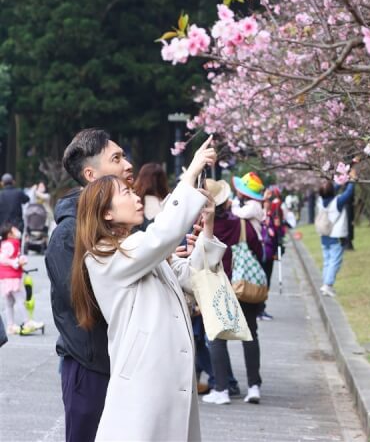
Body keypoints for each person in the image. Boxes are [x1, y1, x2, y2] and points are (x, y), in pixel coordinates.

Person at [71, 137, 222, 441]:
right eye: (127, 193)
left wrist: (207, 227)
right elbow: (161, 236)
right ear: (107, 213)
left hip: (164, 376)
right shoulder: (104, 255)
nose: (137, 197)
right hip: (145, 380)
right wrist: (190, 173)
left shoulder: (137, 250)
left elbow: (195, 280)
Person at [45, 128, 134, 442]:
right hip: (92, 365)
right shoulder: (68, 234)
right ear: (90, 174)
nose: (128, 165)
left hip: (124, 363)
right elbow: (83, 303)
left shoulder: (120, 227)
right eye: (117, 158)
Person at [203, 178, 264, 405]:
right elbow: (258, 250)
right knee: (250, 334)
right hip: (243, 286)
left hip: (219, 287)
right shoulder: (242, 224)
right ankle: (254, 386)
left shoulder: (206, 229)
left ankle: (222, 389)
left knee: (217, 337)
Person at [316, 168, 356, 297]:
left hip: (324, 235)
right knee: (334, 262)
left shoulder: (320, 201)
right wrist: (352, 180)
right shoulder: (337, 202)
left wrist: (344, 177)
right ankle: (328, 285)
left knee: (327, 260)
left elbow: (333, 188)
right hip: (335, 236)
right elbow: (349, 193)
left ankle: (325, 285)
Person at [0, 223, 43, 335]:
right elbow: (3, 258)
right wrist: (16, 262)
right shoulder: (9, 244)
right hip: (11, 277)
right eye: (14, 229)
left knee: (10, 301)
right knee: (20, 299)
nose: (17, 230)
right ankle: (27, 322)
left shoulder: (8, 243)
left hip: (6, 277)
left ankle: (10, 325)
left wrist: (20, 259)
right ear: (9, 234)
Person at [258, 186, 284, 321]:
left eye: (270, 199)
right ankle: (258, 308)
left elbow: (279, 234)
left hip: (269, 252)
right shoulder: (258, 215)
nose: (268, 203)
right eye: (266, 200)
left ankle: (261, 308)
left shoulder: (274, 215)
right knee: (259, 281)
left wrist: (278, 226)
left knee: (266, 281)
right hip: (259, 252)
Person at [231, 171, 265, 240]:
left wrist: (232, 204)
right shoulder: (250, 204)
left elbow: (239, 213)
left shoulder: (253, 205)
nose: (237, 191)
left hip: (255, 241)